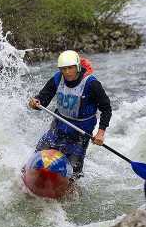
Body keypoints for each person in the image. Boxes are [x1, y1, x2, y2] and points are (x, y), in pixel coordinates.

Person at [28, 50, 112, 179]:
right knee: (38, 156)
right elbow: (43, 98)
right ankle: (28, 176)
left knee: (74, 172)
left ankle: (72, 188)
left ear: (78, 67)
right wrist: (36, 102)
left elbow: (106, 108)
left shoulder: (92, 83)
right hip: (58, 125)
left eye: (70, 68)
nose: (67, 72)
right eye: (64, 69)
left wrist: (100, 133)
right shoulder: (57, 78)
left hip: (80, 131)